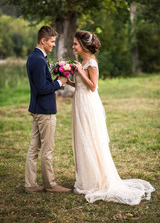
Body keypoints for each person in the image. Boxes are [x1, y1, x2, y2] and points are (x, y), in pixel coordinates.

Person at [67, 30, 155, 205]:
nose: (73, 46)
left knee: (90, 138)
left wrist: (80, 71)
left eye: (75, 43)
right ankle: (86, 178)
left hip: (88, 105)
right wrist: (65, 79)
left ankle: (96, 180)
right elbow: (80, 85)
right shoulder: (82, 62)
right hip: (79, 102)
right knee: (81, 139)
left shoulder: (91, 63)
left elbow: (92, 86)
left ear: (84, 45)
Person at [25, 26, 70, 193]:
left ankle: (30, 184)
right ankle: (50, 184)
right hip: (44, 111)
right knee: (47, 149)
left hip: (38, 109)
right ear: (43, 41)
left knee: (34, 148)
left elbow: (41, 85)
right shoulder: (38, 59)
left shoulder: (35, 57)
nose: (53, 45)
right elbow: (42, 88)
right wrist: (59, 82)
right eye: (51, 42)